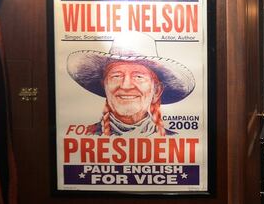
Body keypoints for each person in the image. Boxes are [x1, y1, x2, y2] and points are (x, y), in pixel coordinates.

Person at [66, 31, 195, 136]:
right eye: (116, 76)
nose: (126, 85)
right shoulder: (86, 136)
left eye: (138, 76)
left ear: (156, 91)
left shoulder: (173, 140)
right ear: (104, 86)